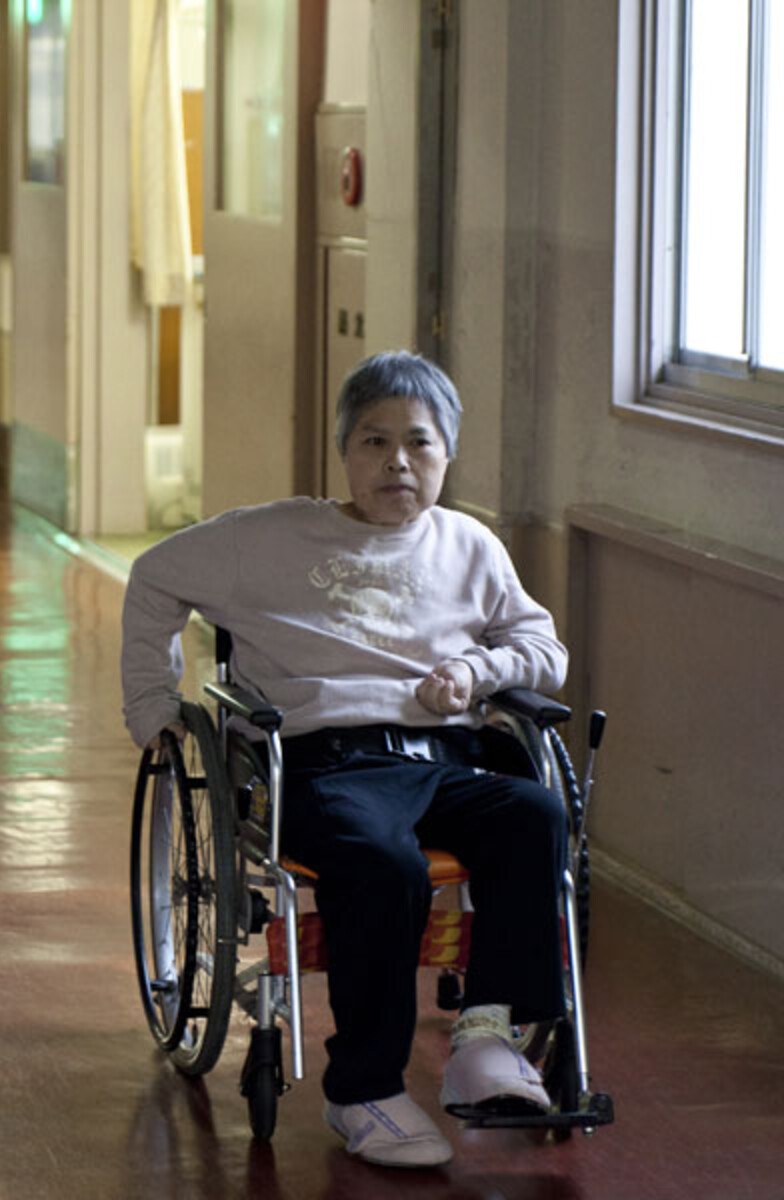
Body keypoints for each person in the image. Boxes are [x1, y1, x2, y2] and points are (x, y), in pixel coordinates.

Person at [120, 351, 569, 1169]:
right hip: (322, 761)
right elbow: (152, 577)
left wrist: (479, 669)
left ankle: (484, 1038)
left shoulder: (470, 545)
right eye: (374, 441)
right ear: (344, 450)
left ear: (448, 454)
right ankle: (364, 1089)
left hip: (443, 752)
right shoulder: (265, 537)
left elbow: (543, 648)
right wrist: (153, 706)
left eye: (419, 443)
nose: (397, 461)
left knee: (535, 815)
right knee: (380, 864)